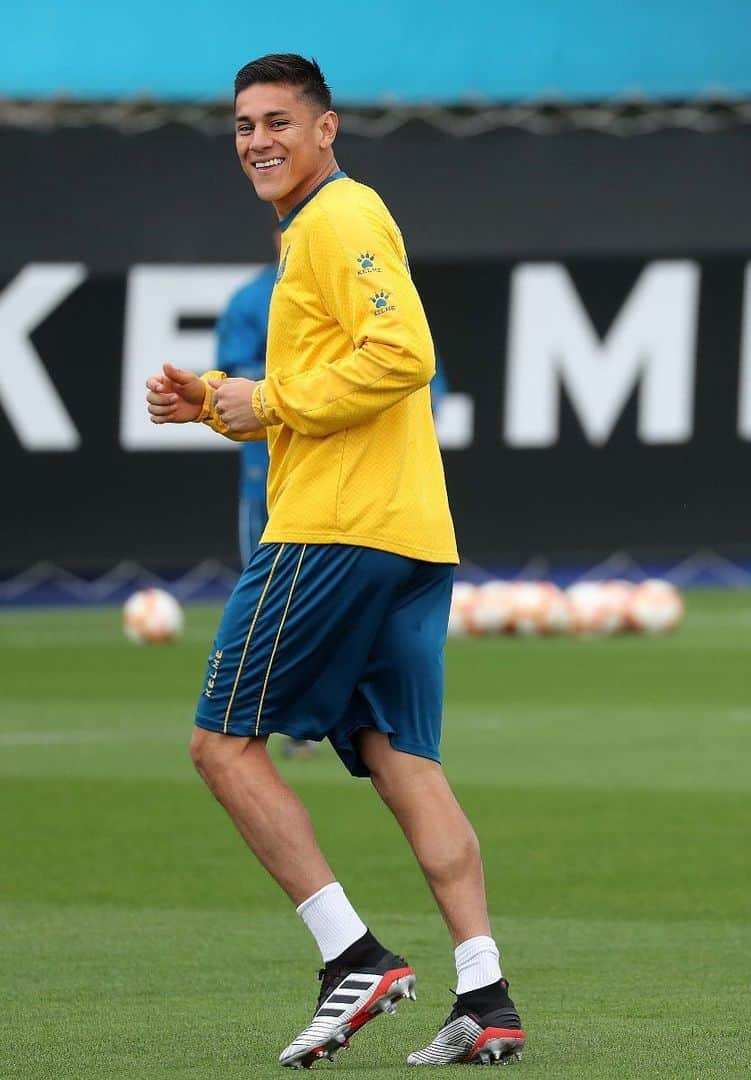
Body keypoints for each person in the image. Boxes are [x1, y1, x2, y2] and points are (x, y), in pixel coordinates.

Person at [145, 54, 525, 1066]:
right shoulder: (318, 228)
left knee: (220, 746)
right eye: (243, 126)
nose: (258, 140)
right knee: (404, 759)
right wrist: (226, 398)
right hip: (405, 531)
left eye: (278, 121)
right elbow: (335, 377)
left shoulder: (339, 219)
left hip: (336, 531)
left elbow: (404, 355)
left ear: (327, 129)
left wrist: (264, 401)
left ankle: (348, 954)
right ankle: (486, 996)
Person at [217, 237, 318, 761]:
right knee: (266, 599)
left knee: (317, 602)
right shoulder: (252, 300)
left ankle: (307, 715)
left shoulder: (352, 286)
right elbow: (233, 384)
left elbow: (417, 374)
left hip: (341, 481)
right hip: (270, 473)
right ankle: (261, 713)